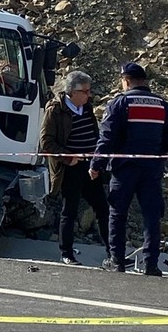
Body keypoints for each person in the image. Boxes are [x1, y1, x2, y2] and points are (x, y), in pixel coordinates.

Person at [90, 62, 168, 276]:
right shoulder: (162, 105)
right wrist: (158, 151)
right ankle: (151, 264)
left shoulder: (121, 103)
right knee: (151, 215)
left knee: (118, 213)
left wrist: (97, 164)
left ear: (126, 80)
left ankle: (117, 261)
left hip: (125, 168)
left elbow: (107, 137)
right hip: (152, 168)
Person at [39, 70, 110, 265]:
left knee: (103, 209)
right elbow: (46, 142)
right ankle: (67, 254)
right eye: (85, 91)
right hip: (70, 168)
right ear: (72, 92)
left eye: (89, 91)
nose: (89, 95)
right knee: (69, 210)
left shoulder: (86, 108)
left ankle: (113, 253)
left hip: (91, 166)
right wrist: (68, 158)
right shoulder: (55, 110)